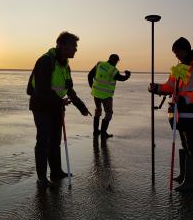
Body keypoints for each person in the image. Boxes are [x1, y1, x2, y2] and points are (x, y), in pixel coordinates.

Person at [148, 37, 193, 192]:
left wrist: (185, 99)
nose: (176, 56)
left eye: (177, 53)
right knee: (185, 143)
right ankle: (184, 176)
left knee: (192, 144)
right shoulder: (179, 68)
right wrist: (157, 88)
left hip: (192, 112)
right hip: (179, 112)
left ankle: (190, 183)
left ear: (185, 50)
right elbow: (169, 87)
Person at [27, 31, 91, 187]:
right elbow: (42, 90)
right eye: (74, 46)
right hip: (41, 107)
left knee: (55, 141)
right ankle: (41, 178)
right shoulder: (45, 61)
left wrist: (82, 107)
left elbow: (69, 90)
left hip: (56, 107)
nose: (76, 49)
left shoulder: (65, 66)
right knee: (43, 141)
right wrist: (60, 102)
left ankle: (56, 171)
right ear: (62, 46)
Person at [87, 54, 131, 139]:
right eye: (117, 62)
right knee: (108, 113)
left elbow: (89, 75)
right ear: (116, 61)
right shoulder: (113, 70)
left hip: (96, 93)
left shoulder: (99, 64)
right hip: (106, 96)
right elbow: (121, 78)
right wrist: (127, 75)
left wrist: (92, 87)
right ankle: (103, 133)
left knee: (98, 110)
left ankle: (95, 131)